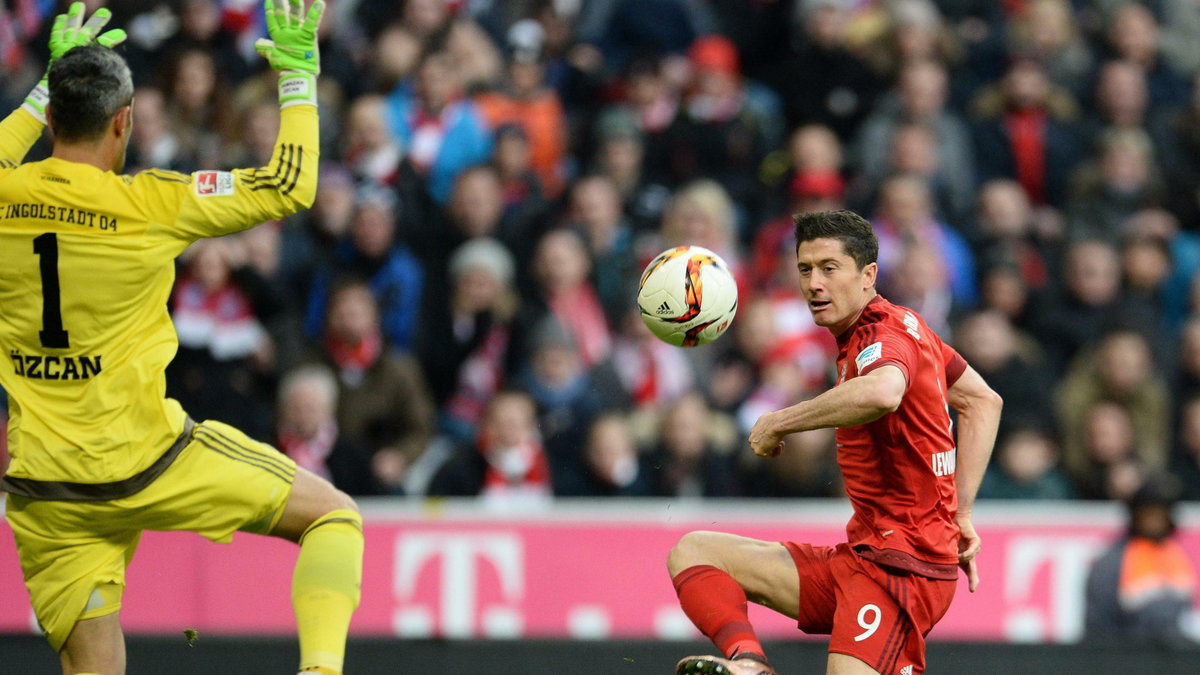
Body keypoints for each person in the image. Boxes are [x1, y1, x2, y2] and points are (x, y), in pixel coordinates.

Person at [0, 3, 363, 675]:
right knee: (333, 516)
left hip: (45, 488)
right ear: (124, 122)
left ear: (50, 121)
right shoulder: (151, 204)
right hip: (151, 462)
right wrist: (296, 75)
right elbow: (290, 183)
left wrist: (46, 85)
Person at [669, 210, 1003, 675]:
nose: (814, 284)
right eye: (805, 269)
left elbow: (883, 391)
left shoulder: (880, 335)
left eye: (830, 268)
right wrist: (960, 514)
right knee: (696, 552)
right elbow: (983, 402)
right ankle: (749, 664)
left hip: (901, 569)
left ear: (868, 276)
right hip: (863, 558)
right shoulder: (907, 326)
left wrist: (779, 422)